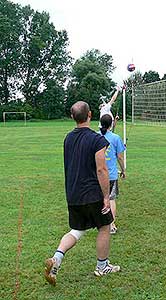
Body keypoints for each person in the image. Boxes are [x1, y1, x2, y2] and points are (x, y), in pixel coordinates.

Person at [44, 101, 120, 286]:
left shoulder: (67, 138)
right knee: (105, 226)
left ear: (72, 117)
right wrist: (105, 197)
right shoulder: (96, 139)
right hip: (92, 194)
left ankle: (56, 258)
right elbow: (101, 169)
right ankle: (102, 266)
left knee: (77, 229)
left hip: (73, 194)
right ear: (90, 115)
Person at [99, 114, 126, 234]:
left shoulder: (95, 136)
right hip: (111, 175)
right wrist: (123, 170)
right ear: (111, 124)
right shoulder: (115, 138)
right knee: (111, 199)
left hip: (98, 174)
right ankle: (111, 224)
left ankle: (101, 223)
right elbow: (120, 157)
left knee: (100, 199)